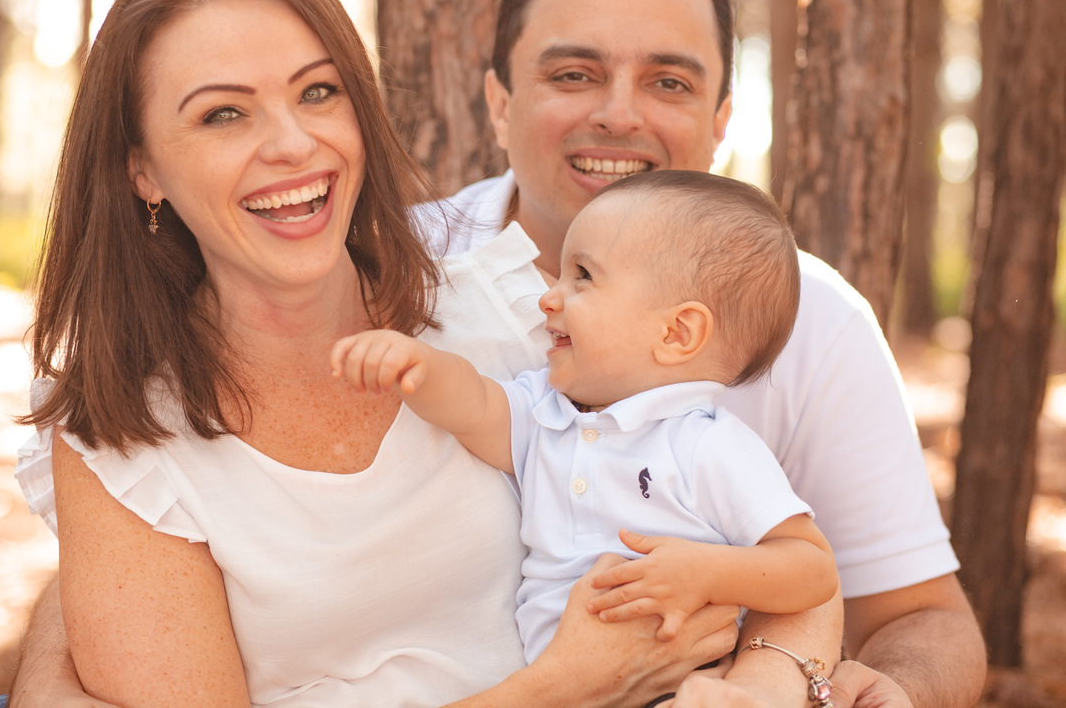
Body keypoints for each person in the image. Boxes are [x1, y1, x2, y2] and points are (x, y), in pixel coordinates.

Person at [0, 0, 773, 708]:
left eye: (317, 92)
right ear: (142, 169)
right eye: (223, 114)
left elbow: (774, 549)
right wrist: (561, 688)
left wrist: (769, 680)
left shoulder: (520, 317)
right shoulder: (127, 444)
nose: (293, 144)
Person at [429, 0, 986, 706]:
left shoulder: (815, 318)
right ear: (498, 102)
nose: (619, 115)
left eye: (669, 82)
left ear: (721, 119)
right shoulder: (392, 275)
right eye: (575, 74)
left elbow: (922, 614)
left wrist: (892, 689)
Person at [333, 170, 840, 668]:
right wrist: (419, 365)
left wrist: (710, 573)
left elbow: (812, 567)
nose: (548, 297)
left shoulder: (707, 445)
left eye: (583, 276)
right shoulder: (549, 412)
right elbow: (476, 406)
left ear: (676, 334)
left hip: (681, 678)